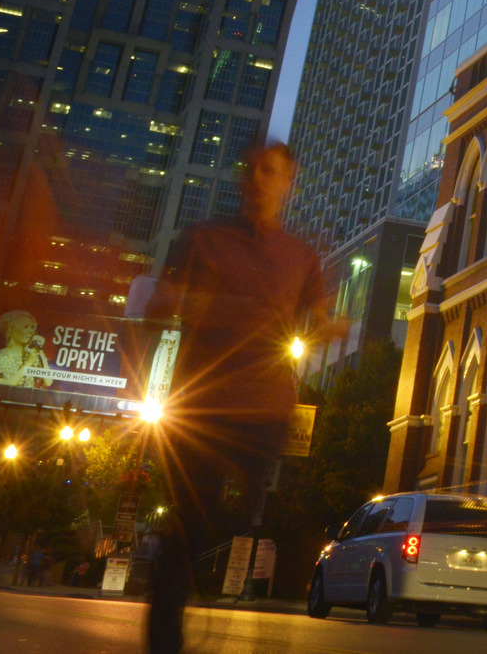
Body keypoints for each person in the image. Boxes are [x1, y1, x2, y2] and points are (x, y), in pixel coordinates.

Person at [142, 141, 333, 654]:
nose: (257, 180)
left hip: (263, 409)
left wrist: (333, 326)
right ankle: (165, 640)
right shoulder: (203, 239)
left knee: (242, 515)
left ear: (287, 181)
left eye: (269, 172)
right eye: (250, 171)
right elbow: (160, 304)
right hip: (201, 405)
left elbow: (321, 314)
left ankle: (225, 538)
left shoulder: (302, 257)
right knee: (185, 531)